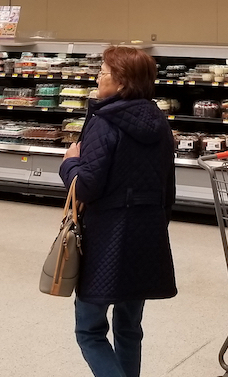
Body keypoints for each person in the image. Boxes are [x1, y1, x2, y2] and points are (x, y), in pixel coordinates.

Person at [59, 46, 177, 377]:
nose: (98, 77)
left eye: (103, 72)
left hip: (106, 237)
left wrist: (69, 163)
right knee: (129, 328)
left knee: (90, 331)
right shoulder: (159, 121)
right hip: (146, 235)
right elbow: (168, 188)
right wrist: (154, 225)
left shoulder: (103, 123)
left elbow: (86, 187)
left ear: (121, 81)